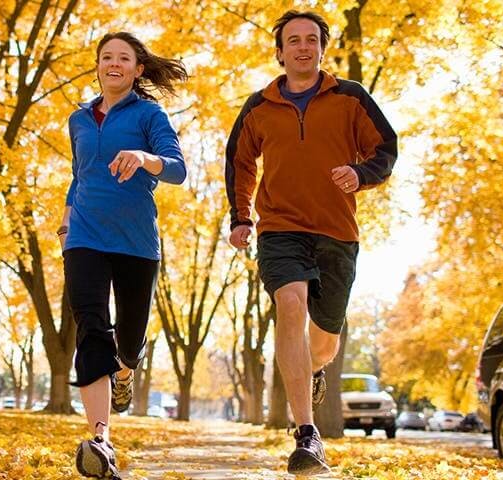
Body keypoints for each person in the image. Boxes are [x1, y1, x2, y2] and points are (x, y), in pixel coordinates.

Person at [224, 10, 397, 476]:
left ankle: (314, 372)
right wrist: (242, 216)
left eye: (311, 40)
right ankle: (306, 434)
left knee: (323, 342)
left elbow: (386, 148)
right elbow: (239, 161)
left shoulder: (349, 97)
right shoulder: (259, 106)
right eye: (293, 40)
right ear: (280, 52)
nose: (302, 47)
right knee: (290, 305)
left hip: (337, 231)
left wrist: (360, 174)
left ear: (322, 48)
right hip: (280, 228)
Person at [59, 32, 188, 479]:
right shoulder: (78, 118)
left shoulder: (150, 114)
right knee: (92, 327)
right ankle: (101, 440)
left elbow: (177, 169)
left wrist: (142, 156)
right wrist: (66, 220)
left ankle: (127, 371)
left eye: (124, 58)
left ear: (137, 68)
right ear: (98, 65)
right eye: (106, 57)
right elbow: (80, 175)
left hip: (135, 241)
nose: (114, 64)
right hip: (85, 237)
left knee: (127, 341)